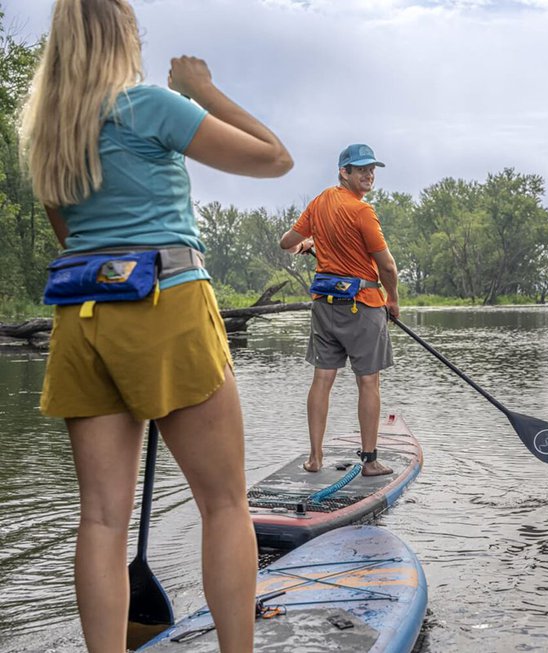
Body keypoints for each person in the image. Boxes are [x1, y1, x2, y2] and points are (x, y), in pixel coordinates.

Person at [18, 1, 292, 651]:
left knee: (103, 520)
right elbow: (274, 159)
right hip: (164, 305)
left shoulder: (48, 128)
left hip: (80, 321)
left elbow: (70, 234)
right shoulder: (149, 104)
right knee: (225, 503)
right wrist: (203, 89)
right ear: (123, 36)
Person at [280, 143, 400, 477]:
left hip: (324, 307)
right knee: (368, 383)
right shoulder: (362, 212)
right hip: (362, 307)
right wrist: (392, 298)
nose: (368, 174)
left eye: (371, 168)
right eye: (361, 169)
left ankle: (315, 458)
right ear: (343, 172)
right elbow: (387, 266)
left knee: (322, 378)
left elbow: (286, 242)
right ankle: (371, 461)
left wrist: (309, 244)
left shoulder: (319, 202)